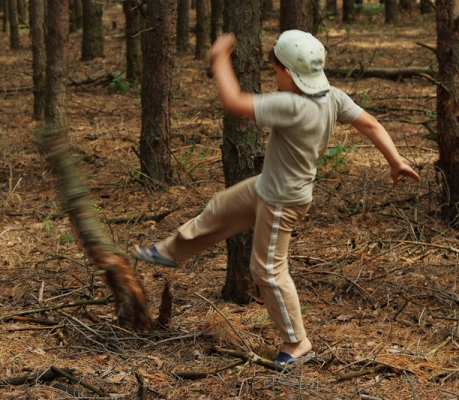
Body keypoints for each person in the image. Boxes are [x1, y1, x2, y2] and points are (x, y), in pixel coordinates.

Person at [132, 30, 420, 365]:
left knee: (266, 269)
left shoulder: (292, 105)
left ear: (288, 73)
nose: (274, 78)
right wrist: (395, 159)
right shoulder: (333, 97)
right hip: (268, 186)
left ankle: (297, 343)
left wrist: (219, 59)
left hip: (283, 201)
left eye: (275, 73)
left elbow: (234, 102)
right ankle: (170, 252)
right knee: (220, 209)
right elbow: (369, 124)